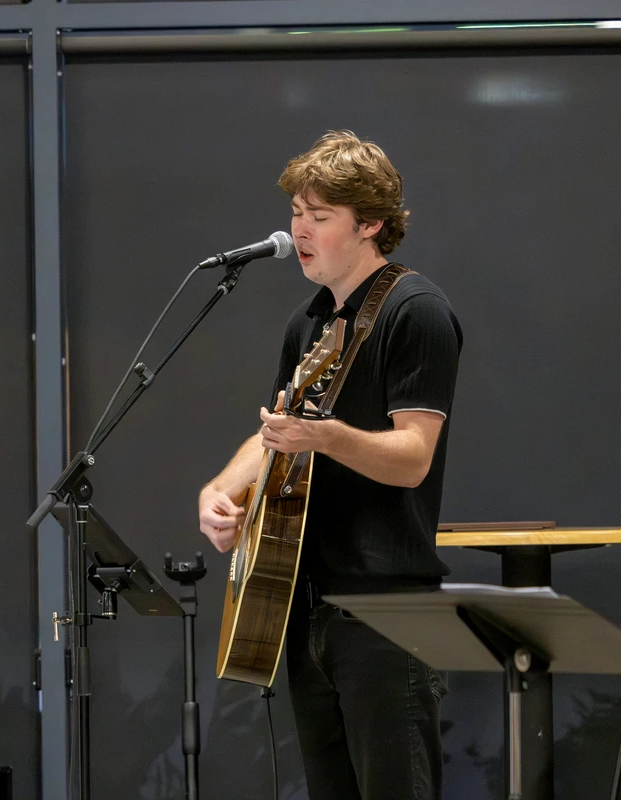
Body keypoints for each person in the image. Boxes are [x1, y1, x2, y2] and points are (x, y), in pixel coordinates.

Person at [199, 130, 462, 800]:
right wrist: (220, 493)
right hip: (305, 605)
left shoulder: (416, 310)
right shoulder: (309, 321)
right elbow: (274, 433)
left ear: (370, 223)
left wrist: (327, 437)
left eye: (320, 217)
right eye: (296, 214)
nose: (300, 231)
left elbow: (413, 459)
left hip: (385, 613)